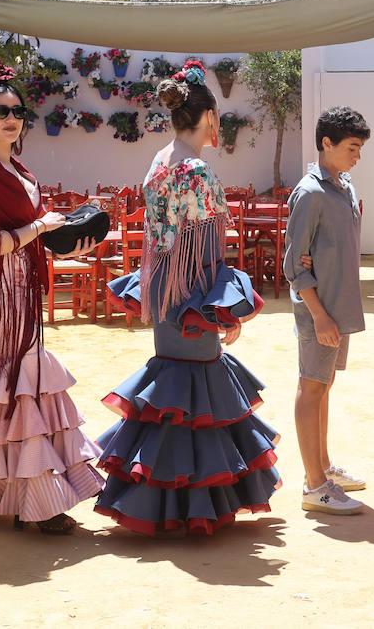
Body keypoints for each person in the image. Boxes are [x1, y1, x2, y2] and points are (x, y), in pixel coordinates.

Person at [96, 59, 279, 535]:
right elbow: (208, 250)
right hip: (193, 298)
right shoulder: (197, 170)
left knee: (172, 395)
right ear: (210, 117)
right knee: (197, 396)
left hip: (163, 290)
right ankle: (193, 506)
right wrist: (225, 311)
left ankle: (163, 502)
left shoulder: (160, 161)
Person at [0, 60, 107, 535]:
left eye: (18, 111)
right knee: (16, 376)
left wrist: (62, 240)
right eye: (1, 111)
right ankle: (34, 500)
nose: (12, 118)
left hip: (20, 282)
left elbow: (28, 232)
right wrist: (39, 226)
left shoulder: (17, 167)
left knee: (8, 379)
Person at [283, 106, 370, 516]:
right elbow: (294, 263)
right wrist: (318, 314)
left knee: (324, 384)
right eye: (352, 147)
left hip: (338, 308)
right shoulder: (310, 193)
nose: (357, 156)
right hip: (320, 312)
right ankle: (315, 484)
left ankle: (322, 467)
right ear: (327, 143)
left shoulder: (343, 185)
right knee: (311, 386)